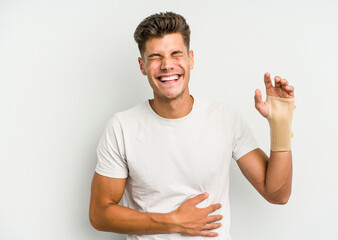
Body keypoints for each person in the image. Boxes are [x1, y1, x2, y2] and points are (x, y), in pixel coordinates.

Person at [89, 12, 295, 240]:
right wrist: (173, 221)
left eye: (175, 54)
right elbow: (100, 214)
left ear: (191, 59)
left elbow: (277, 194)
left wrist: (281, 126)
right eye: (155, 57)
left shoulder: (225, 119)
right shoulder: (122, 127)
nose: (167, 65)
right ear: (142, 66)